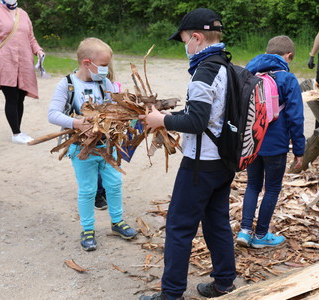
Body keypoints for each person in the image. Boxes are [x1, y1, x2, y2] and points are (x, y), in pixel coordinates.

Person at [138, 8, 236, 300]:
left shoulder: (204, 72)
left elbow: (197, 122)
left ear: (196, 37)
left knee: (180, 228)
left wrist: (162, 121)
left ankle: (171, 294)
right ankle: (224, 283)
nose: (185, 47)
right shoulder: (226, 66)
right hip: (223, 161)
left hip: (200, 166)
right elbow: (210, 114)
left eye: (184, 40)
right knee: (216, 221)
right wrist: (173, 114)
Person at [48, 37, 137, 251]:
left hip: (107, 146)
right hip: (82, 149)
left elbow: (115, 106)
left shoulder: (103, 83)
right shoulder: (68, 84)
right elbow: (53, 114)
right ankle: (88, 228)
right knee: (87, 190)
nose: (107, 70)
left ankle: (117, 222)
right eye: (104, 65)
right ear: (87, 63)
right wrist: (77, 122)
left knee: (114, 184)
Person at [236, 36, 305, 249]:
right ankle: (262, 235)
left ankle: (245, 230)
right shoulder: (287, 79)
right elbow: (296, 117)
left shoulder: (249, 75)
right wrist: (299, 150)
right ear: (289, 56)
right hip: (276, 145)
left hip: (252, 141)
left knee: (253, 185)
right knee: (272, 188)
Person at [0, 0, 44, 144]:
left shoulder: (23, 14)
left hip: (24, 62)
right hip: (5, 61)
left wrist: (39, 51)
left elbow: (31, 38)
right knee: (11, 96)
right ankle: (16, 133)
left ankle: (18, 130)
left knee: (20, 96)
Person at [94, 59, 122, 211]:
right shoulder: (92, 86)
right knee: (98, 164)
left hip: (111, 134)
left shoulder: (113, 86)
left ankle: (105, 191)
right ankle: (98, 194)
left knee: (110, 162)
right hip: (97, 134)